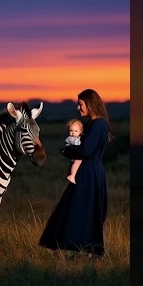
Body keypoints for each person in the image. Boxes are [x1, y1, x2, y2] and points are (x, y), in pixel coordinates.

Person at [39, 88, 114, 257]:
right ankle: (80, 248)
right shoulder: (91, 124)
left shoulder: (99, 124)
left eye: (80, 104)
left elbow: (86, 150)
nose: (78, 108)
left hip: (89, 171)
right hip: (88, 170)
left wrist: (67, 151)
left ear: (90, 104)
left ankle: (86, 248)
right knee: (79, 207)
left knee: (81, 207)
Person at [65, 118, 84, 184]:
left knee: (75, 164)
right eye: (71, 131)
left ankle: (72, 174)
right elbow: (77, 144)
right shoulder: (71, 139)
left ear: (80, 132)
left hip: (74, 154)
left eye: (76, 131)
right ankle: (72, 175)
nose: (73, 133)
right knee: (78, 161)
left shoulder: (77, 138)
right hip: (74, 154)